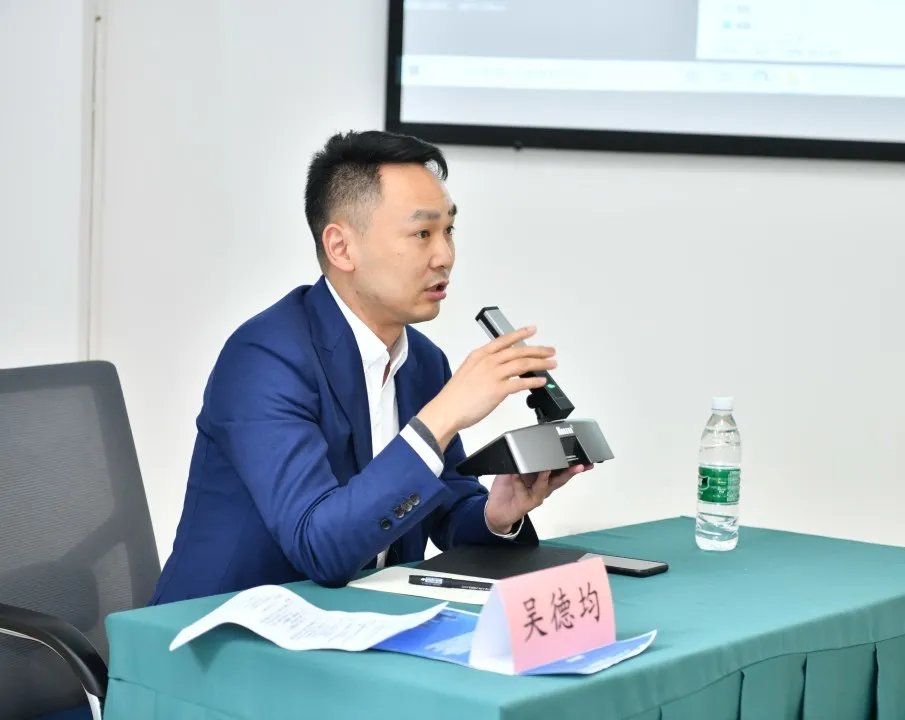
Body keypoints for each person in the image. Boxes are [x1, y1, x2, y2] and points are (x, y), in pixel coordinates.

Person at [149, 130, 591, 604]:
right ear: (341, 248)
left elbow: (444, 506)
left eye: (449, 230)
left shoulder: (423, 361)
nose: (445, 256)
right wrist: (443, 416)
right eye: (422, 233)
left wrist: (496, 515)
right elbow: (319, 546)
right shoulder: (263, 358)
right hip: (224, 630)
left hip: (357, 622)